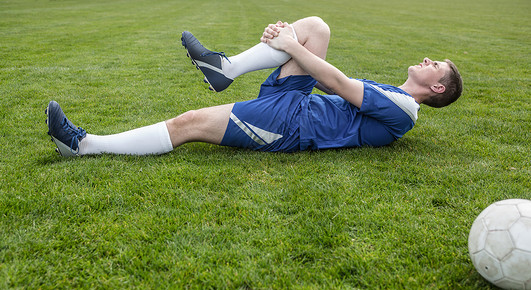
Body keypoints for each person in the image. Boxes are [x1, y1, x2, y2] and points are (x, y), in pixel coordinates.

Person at [45, 17, 462, 157]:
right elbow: (324, 80)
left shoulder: (405, 110)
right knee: (316, 27)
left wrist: (285, 45)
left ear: (438, 88)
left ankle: (85, 145)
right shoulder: (392, 94)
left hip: (295, 125)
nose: (427, 60)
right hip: (297, 102)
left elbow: (335, 81)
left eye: (435, 65)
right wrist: (291, 40)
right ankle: (226, 67)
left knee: (189, 122)